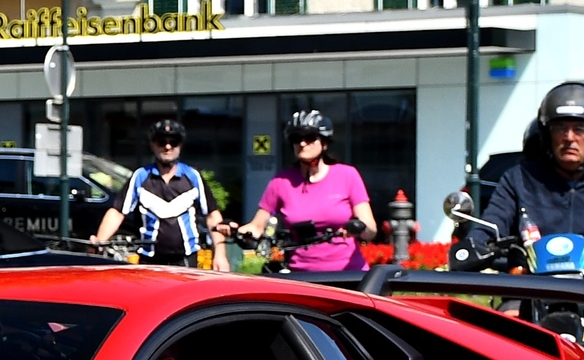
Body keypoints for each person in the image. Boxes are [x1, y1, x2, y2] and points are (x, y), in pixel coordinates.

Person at [461, 83, 584, 251]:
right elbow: (493, 221)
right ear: (546, 134)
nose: (569, 137)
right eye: (560, 128)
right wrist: (476, 243)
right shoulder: (518, 180)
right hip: (535, 286)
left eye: (580, 128)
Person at [243, 109, 375, 272]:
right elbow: (256, 226)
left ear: (325, 143)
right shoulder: (281, 182)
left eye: (310, 137)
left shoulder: (347, 175)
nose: (303, 143)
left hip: (349, 272)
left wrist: (359, 227)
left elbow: (371, 229)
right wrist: (236, 230)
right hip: (303, 276)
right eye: (296, 139)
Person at [93, 116, 224, 266]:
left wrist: (220, 254)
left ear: (180, 145)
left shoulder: (193, 177)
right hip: (150, 260)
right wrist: (99, 241)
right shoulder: (140, 177)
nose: (167, 147)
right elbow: (117, 212)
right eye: (161, 142)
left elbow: (212, 215)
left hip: (185, 259)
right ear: (153, 145)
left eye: (173, 142)